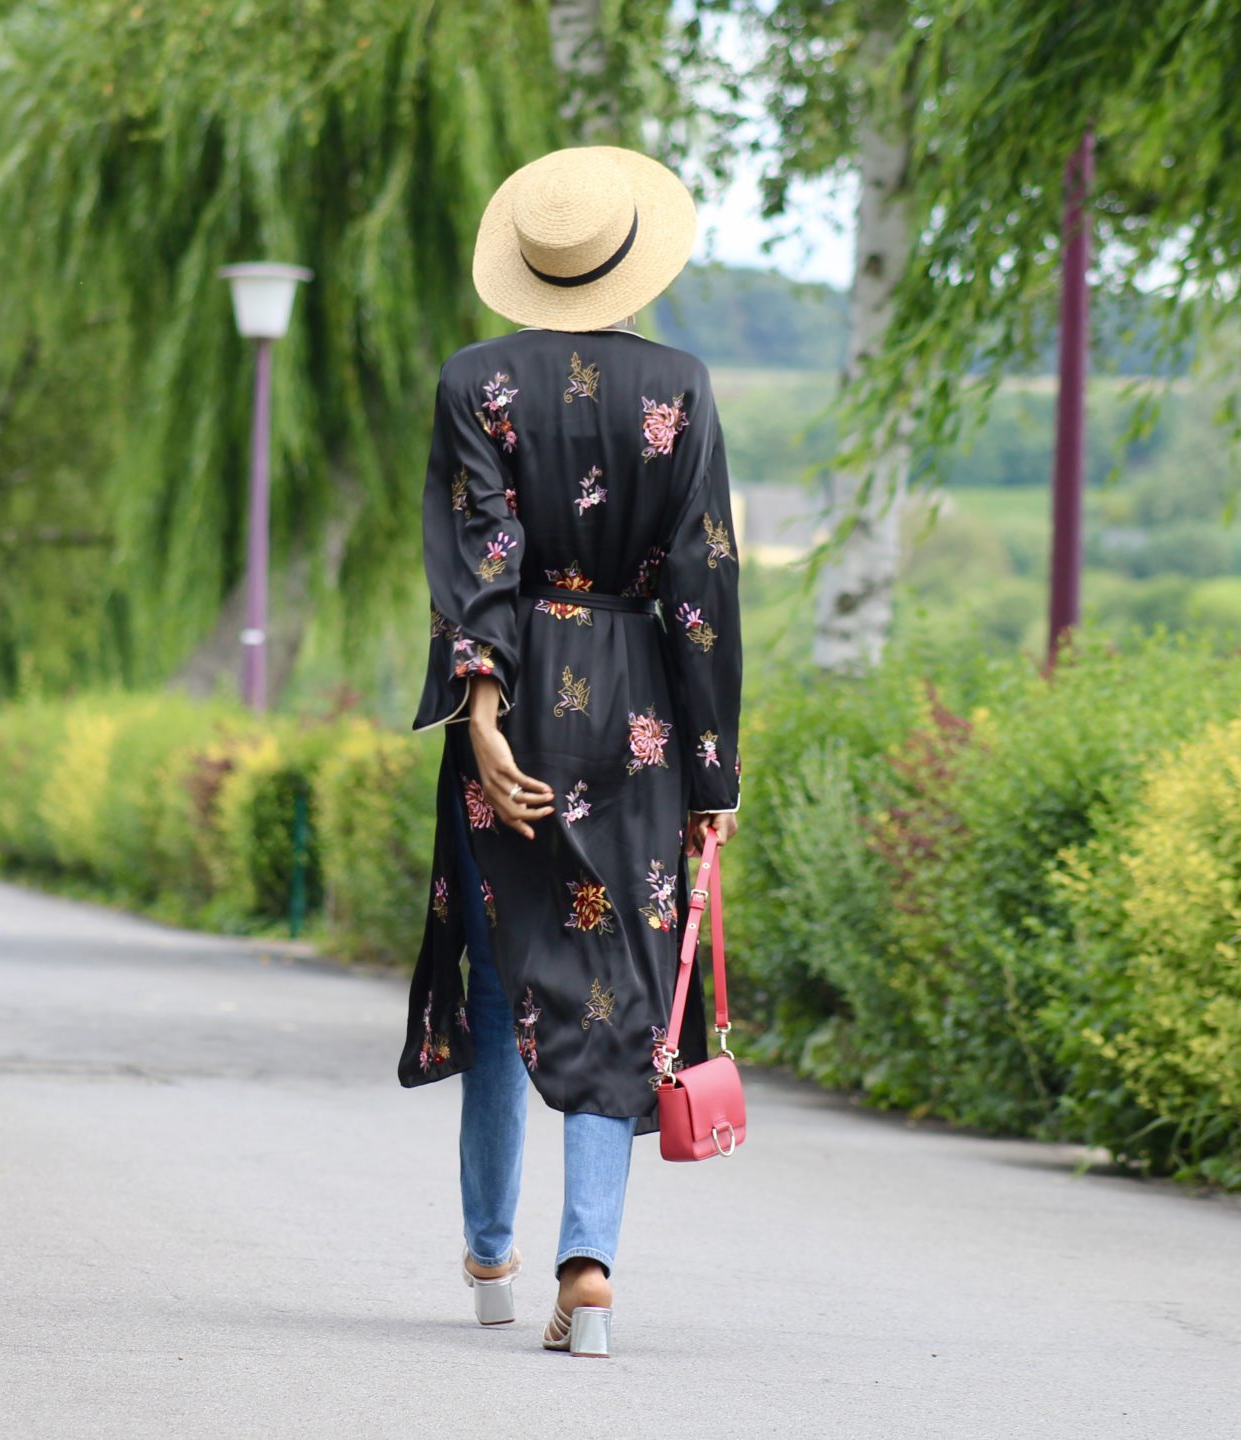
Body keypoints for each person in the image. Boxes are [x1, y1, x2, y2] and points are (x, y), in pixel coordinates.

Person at [398, 145, 742, 1358]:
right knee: (613, 990)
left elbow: (478, 555)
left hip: (523, 695)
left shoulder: (474, 383)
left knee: (500, 989)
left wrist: (480, 714)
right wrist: (713, 774)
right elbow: (701, 588)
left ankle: (489, 1258)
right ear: (631, 263)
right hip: (639, 710)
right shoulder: (686, 389)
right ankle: (586, 1266)